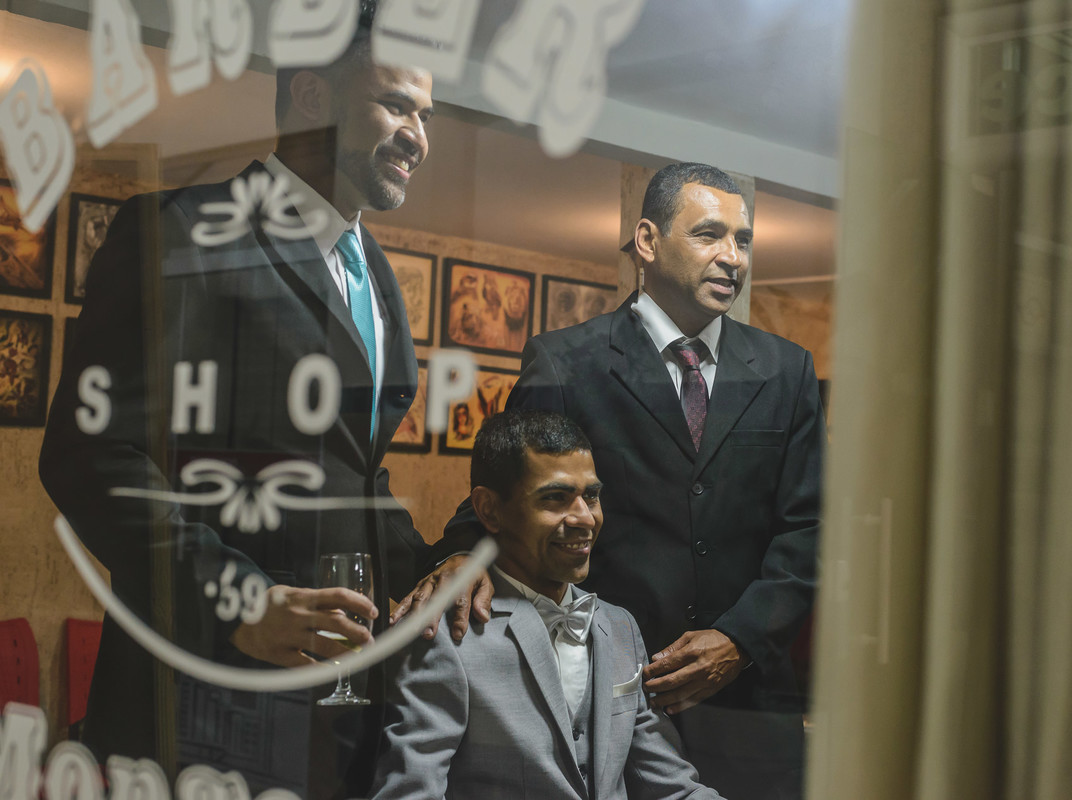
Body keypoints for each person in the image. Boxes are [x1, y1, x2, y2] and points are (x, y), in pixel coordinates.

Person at [37, 6, 474, 796]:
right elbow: (88, 456)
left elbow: (356, 478)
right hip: (202, 697)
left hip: (342, 714)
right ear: (312, 99)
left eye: (426, 114)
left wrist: (448, 567)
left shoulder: (378, 275)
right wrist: (240, 598)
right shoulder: (178, 234)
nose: (420, 135)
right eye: (396, 105)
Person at [425, 162, 824, 798]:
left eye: (743, 240)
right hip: (611, 698)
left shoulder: (786, 371)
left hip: (751, 702)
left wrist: (738, 638)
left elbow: (809, 529)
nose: (732, 257)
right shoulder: (566, 361)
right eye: (708, 235)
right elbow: (505, 494)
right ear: (647, 241)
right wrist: (457, 557)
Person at [371, 409, 723, 800]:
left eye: (591, 495)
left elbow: (673, 786)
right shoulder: (445, 633)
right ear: (489, 510)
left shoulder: (620, 626)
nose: (584, 518)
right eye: (555, 498)